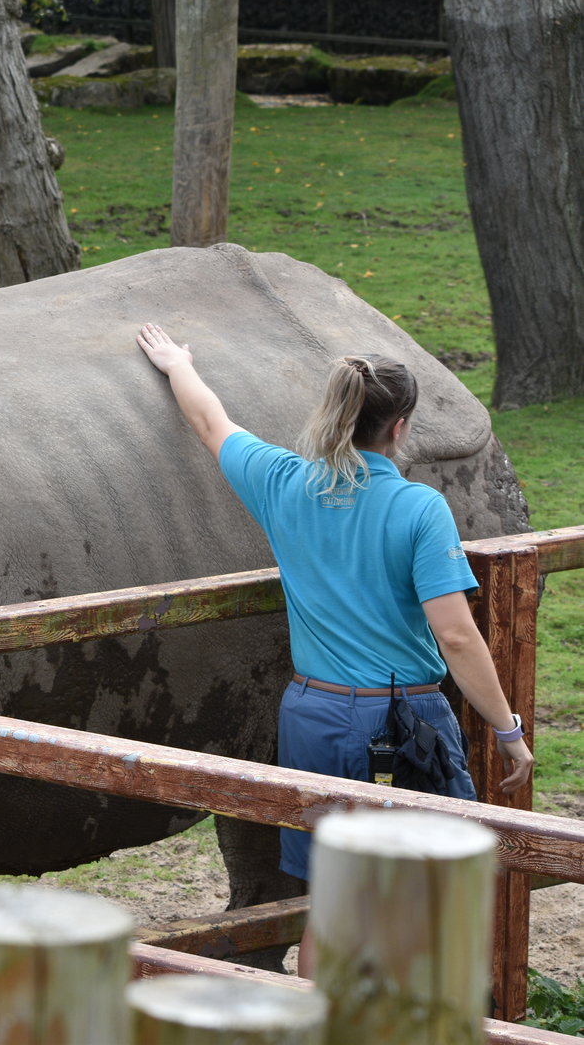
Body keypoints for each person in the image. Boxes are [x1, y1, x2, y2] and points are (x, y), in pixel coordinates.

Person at [134, 323, 534, 964]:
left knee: (331, 900)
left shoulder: (284, 483)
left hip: (313, 718)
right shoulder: (418, 509)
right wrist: (507, 728)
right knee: (433, 887)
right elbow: (456, 635)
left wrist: (178, 363)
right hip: (401, 722)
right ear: (400, 427)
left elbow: (210, 422)